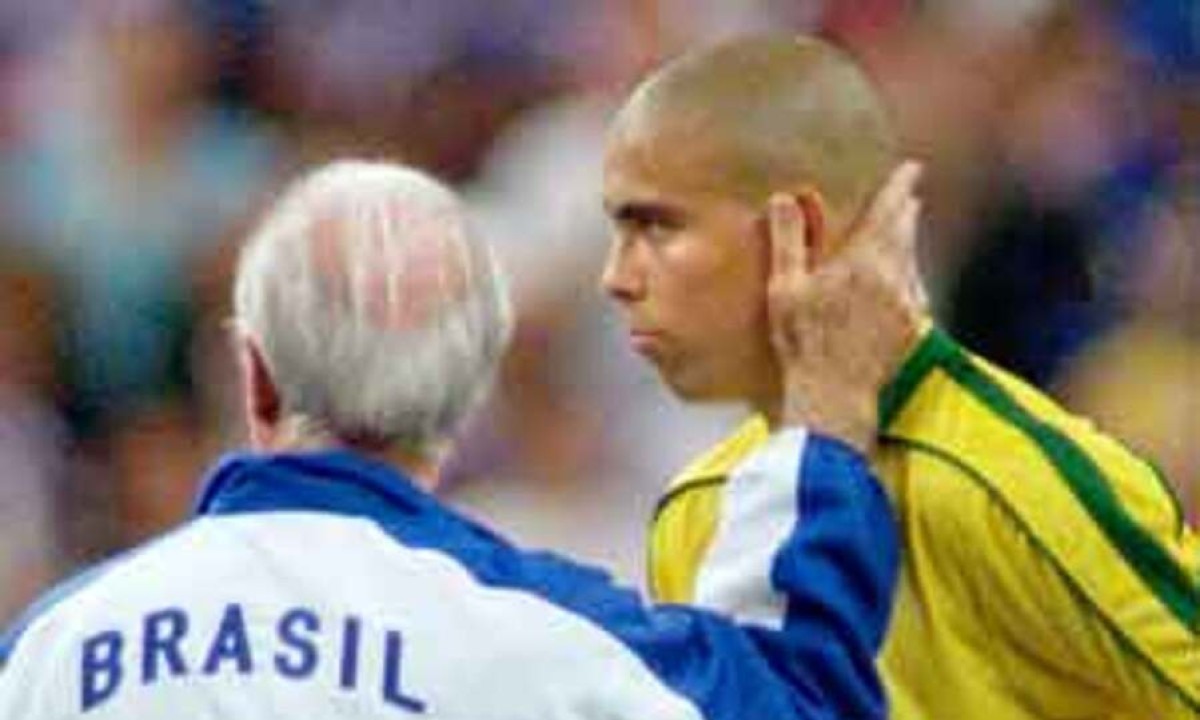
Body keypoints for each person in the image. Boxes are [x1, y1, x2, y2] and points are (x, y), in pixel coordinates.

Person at [0, 159, 917, 718]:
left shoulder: (50, 648)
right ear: (471, 390)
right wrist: (827, 415)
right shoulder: (552, 643)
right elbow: (800, 703)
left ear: (256, 376)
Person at [600, 35, 1200, 719]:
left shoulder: (1005, 481)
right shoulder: (696, 508)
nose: (616, 278)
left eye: (657, 228)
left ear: (799, 230)